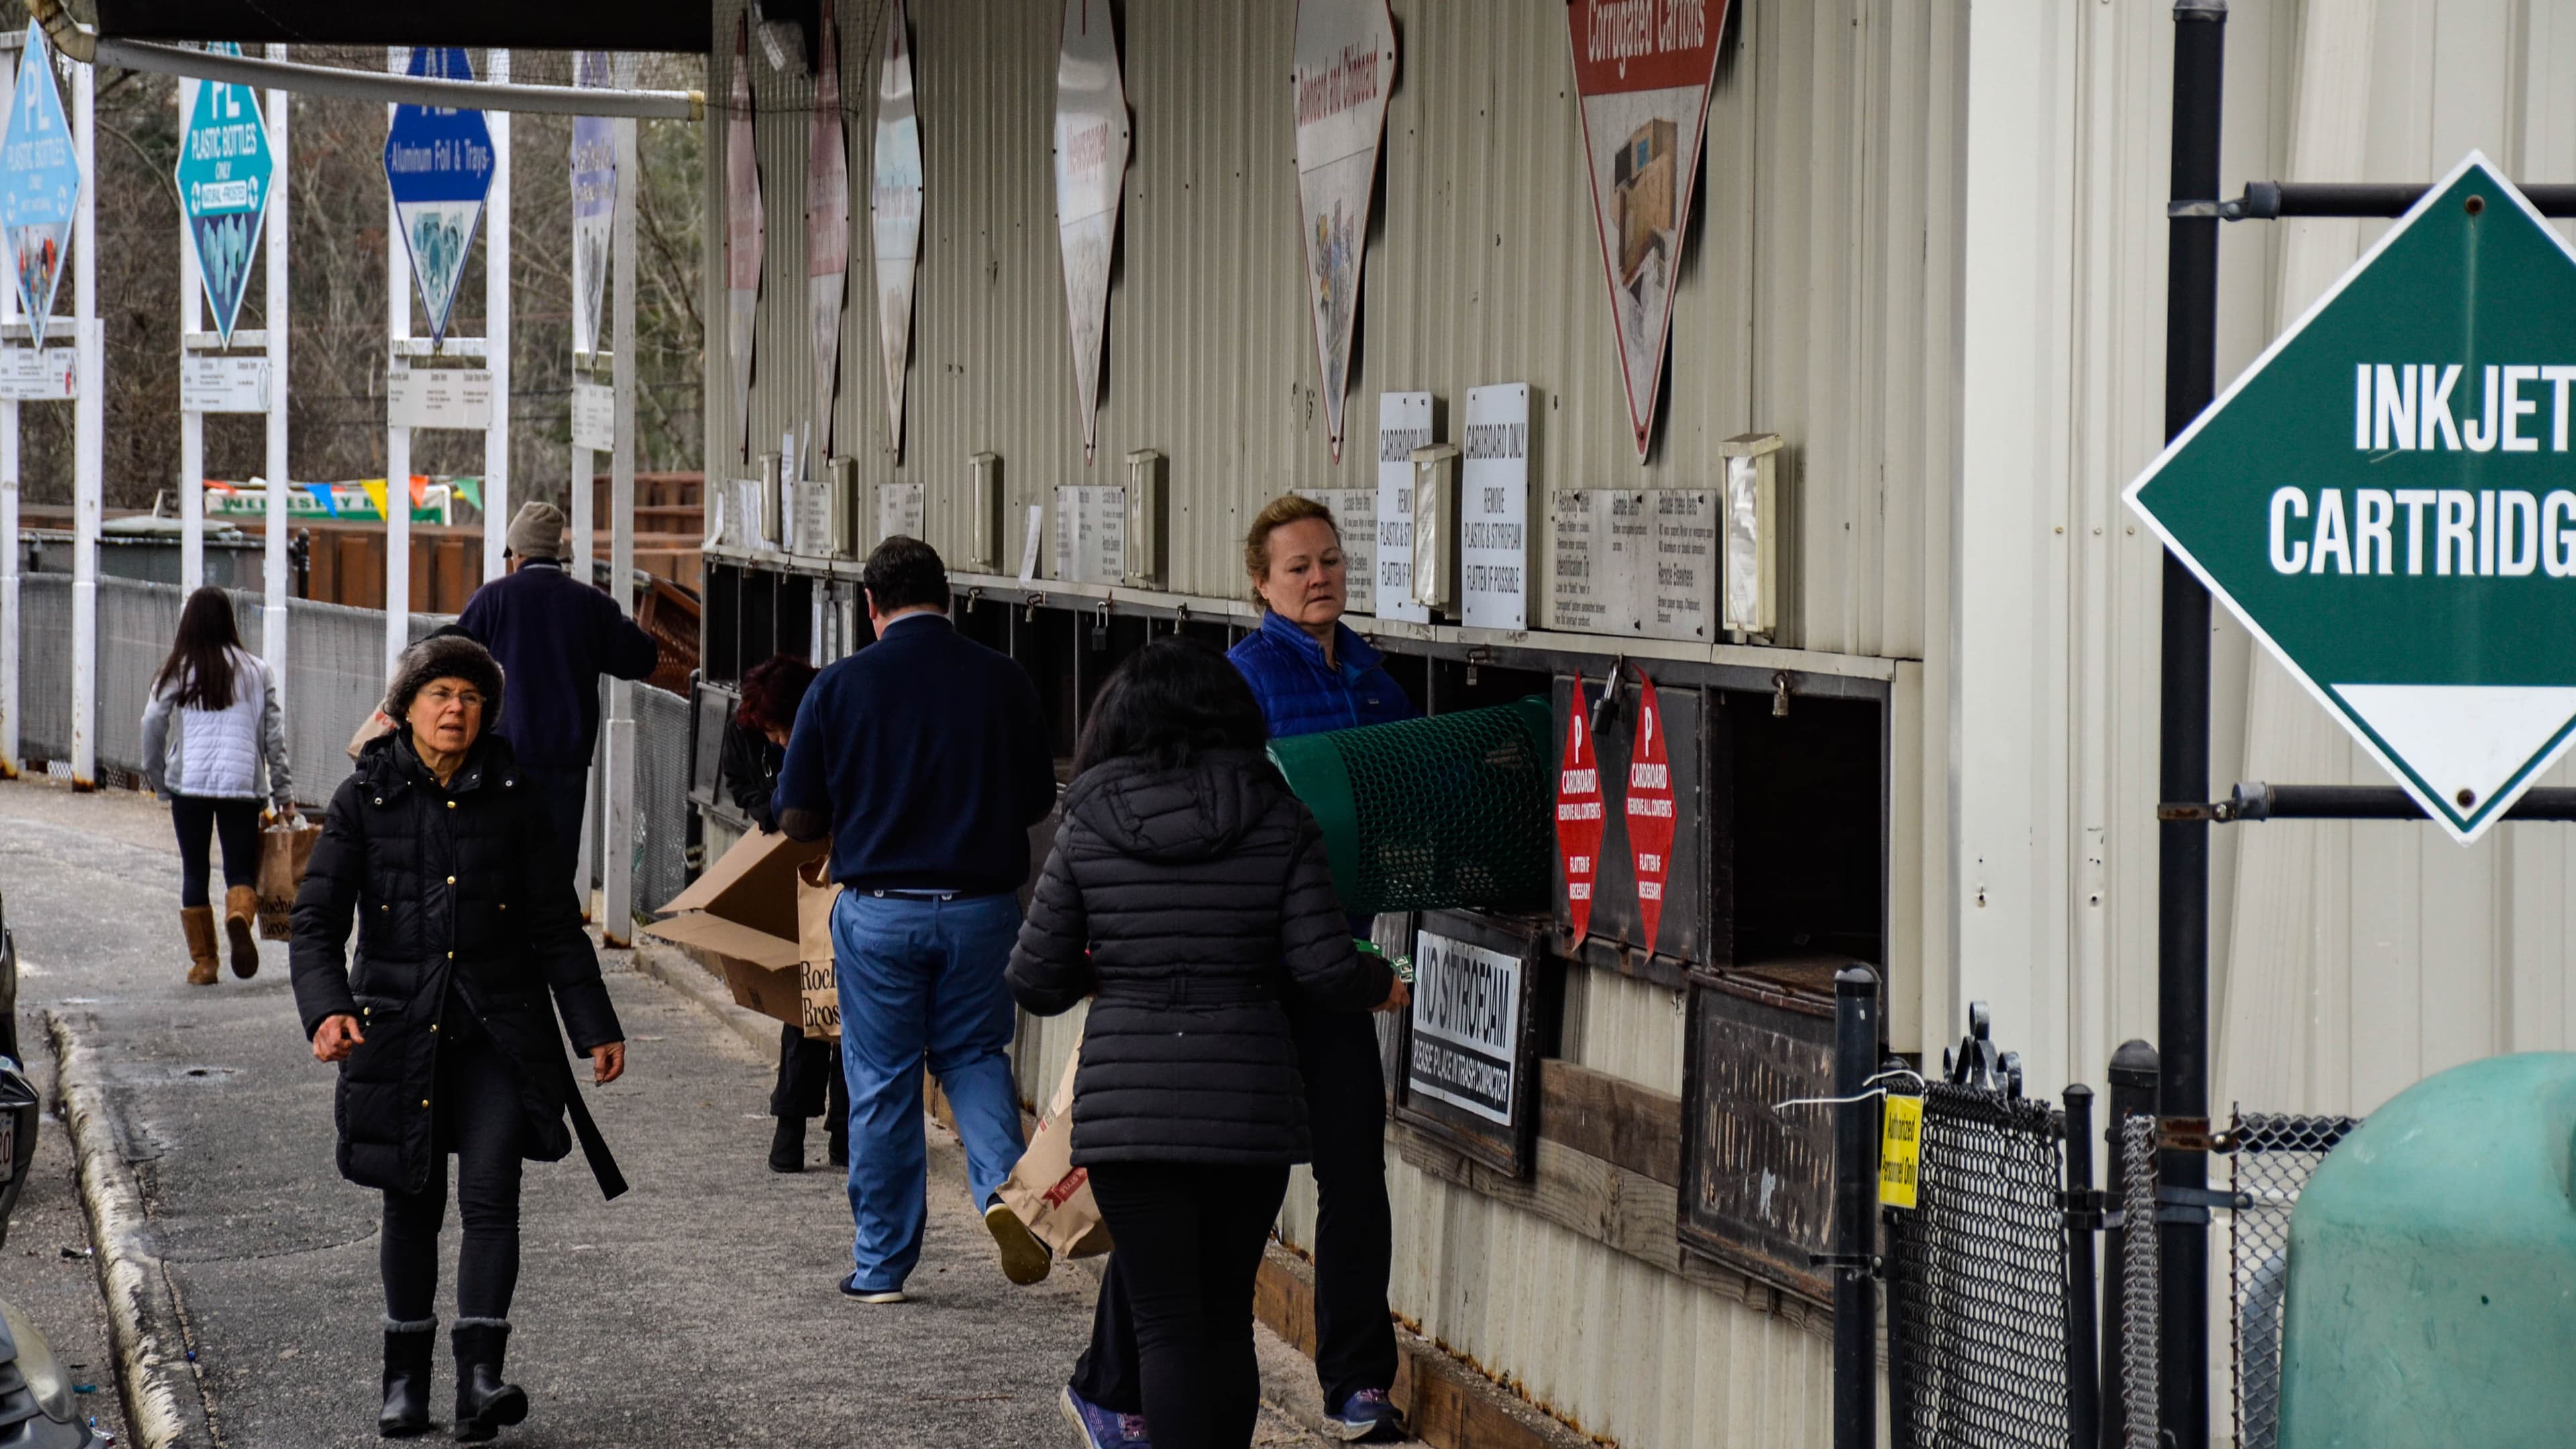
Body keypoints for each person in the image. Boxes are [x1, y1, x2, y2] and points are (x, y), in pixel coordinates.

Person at [1063, 495, 1418, 1445]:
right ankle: (1109, 1374)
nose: (1321, 579)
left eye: (1333, 561)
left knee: (1354, 1171)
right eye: (1299, 566)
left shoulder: (1382, 686)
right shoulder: (1234, 686)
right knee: (1176, 1202)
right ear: (1259, 582)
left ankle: (1356, 1379)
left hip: (1334, 957)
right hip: (1243, 976)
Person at [289, 635, 629, 1442]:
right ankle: (405, 1383)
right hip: (398, 1031)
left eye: (471, 698)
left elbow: (555, 925)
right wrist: (327, 1009)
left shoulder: (516, 796)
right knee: (411, 1201)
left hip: (498, 1034)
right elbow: (315, 923)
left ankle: (481, 1379)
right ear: (405, 708)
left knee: (491, 1200)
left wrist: (594, 1026)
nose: (455, 709)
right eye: (439, 693)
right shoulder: (362, 799)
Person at [774, 536, 1057, 1303]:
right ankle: (1008, 1197)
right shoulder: (1005, 680)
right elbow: (1038, 801)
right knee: (973, 1058)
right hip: (981, 914)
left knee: (882, 1081)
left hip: (880, 914)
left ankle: (881, 1267)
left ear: (871, 607)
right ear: (951, 595)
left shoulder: (838, 687)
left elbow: (798, 817)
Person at [457, 500, 660, 893]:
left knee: (498, 867)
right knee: (551, 874)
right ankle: (545, 948)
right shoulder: (590, 604)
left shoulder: (492, 599)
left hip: (500, 759)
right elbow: (641, 658)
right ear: (555, 552)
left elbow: (452, 660)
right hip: (566, 763)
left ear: (517, 553)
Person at [721, 653, 849, 1173]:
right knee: (819, 999)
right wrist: (767, 806)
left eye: (783, 731)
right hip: (794, 870)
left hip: (840, 868)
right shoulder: (746, 732)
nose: (778, 743)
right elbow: (741, 786)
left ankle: (827, 1132)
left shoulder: (832, 722)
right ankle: (802, 1129)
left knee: (828, 1000)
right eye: (770, 734)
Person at [141, 586, 294, 985]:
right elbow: (274, 739)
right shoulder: (257, 671)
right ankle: (239, 916)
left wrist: (159, 777)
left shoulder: (178, 668)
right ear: (231, 622)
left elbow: (151, 723)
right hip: (242, 784)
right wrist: (284, 795)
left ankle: (205, 964)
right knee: (240, 869)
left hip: (189, 785)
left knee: (194, 870)